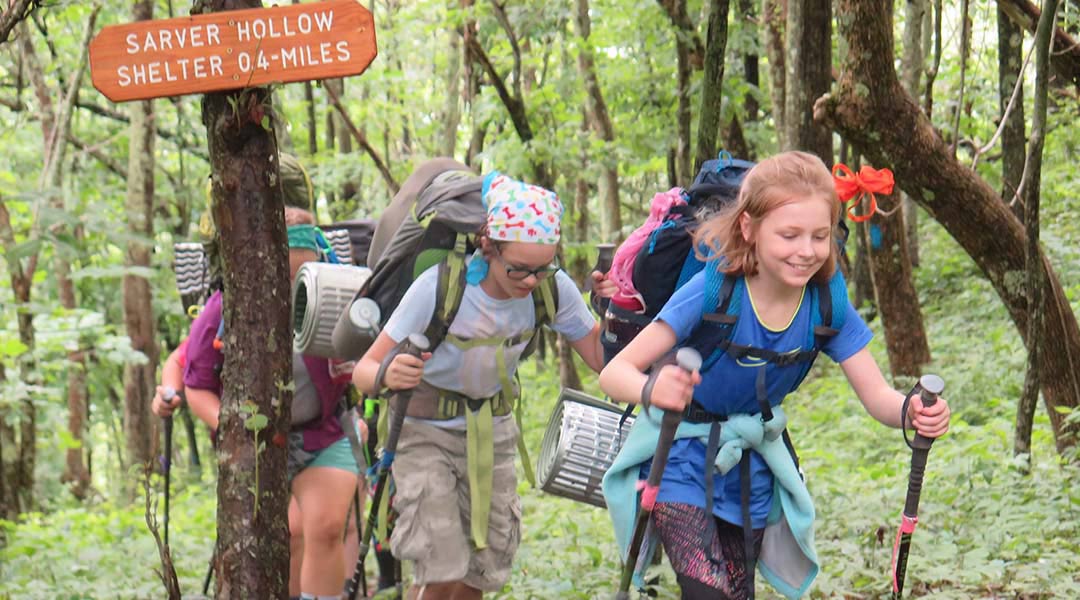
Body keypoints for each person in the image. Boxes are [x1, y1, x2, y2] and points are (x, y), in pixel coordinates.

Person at [598, 151, 951, 600]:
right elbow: (615, 373)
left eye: (819, 237)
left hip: (751, 466)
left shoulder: (827, 304)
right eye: (789, 235)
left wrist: (912, 412)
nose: (806, 251)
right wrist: (652, 388)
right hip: (680, 457)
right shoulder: (713, 290)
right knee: (708, 594)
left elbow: (879, 396)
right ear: (749, 228)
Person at [352, 172, 609, 600]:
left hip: (494, 434)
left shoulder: (552, 289)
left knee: (481, 571)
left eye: (542, 269)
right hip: (423, 434)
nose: (530, 281)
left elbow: (602, 358)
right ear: (488, 247)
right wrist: (385, 376)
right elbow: (365, 368)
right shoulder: (439, 288)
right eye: (519, 269)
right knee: (440, 566)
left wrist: (614, 308)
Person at [155, 196, 360, 599]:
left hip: (323, 431)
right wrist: (239, 433)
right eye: (285, 276)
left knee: (326, 527)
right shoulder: (224, 307)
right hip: (254, 441)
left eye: (305, 275)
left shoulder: (337, 296)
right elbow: (196, 384)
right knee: (288, 537)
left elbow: (370, 353)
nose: (294, 287)